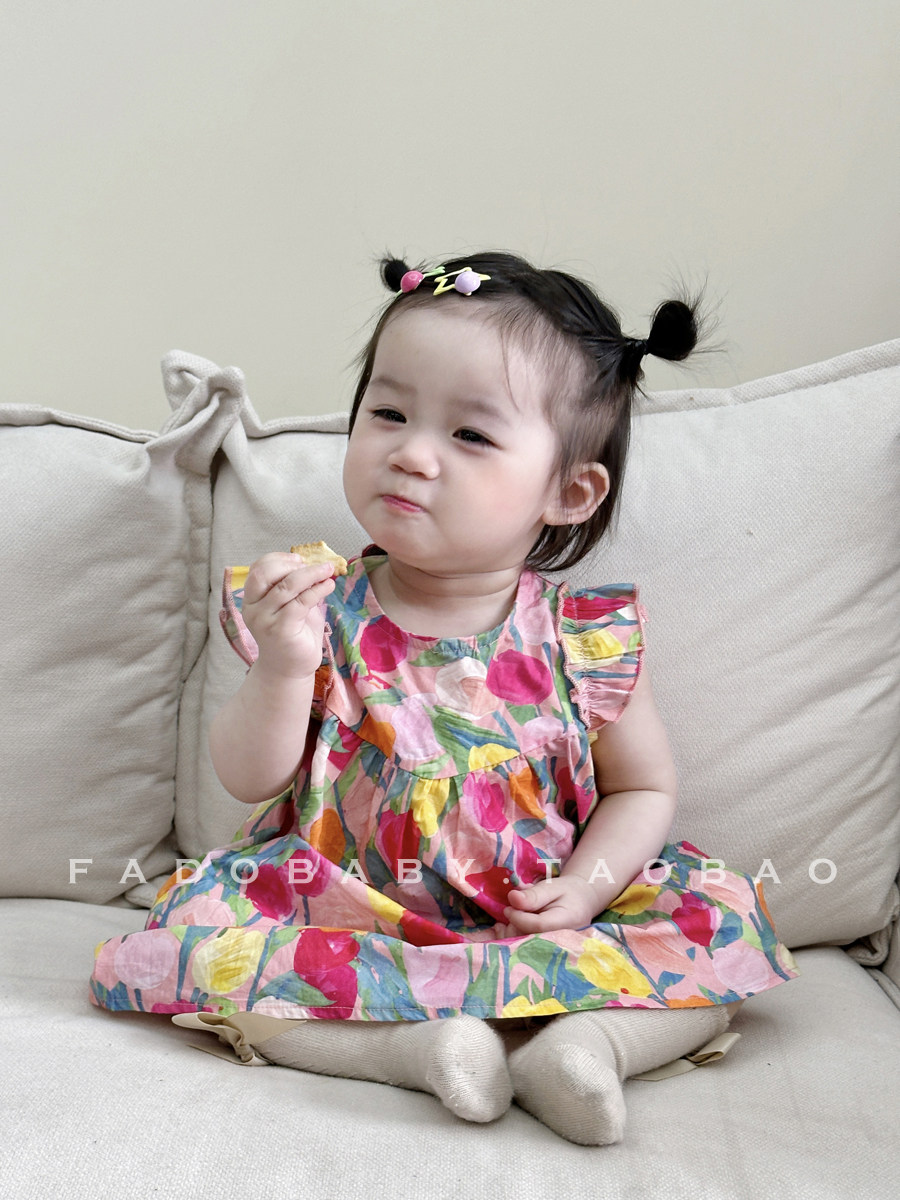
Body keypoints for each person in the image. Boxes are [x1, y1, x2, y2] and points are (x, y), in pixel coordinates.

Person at [90, 252, 797, 1145]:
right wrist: (282, 664)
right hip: (345, 912)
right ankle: (415, 1050)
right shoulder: (317, 610)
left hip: (539, 917)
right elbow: (246, 776)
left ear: (568, 491)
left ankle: (587, 1049)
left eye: (470, 434)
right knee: (198, 936)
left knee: (724, 925)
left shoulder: (584, 638)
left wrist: (586, 889)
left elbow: (643, 787)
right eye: (388, 413)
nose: (411, 453)